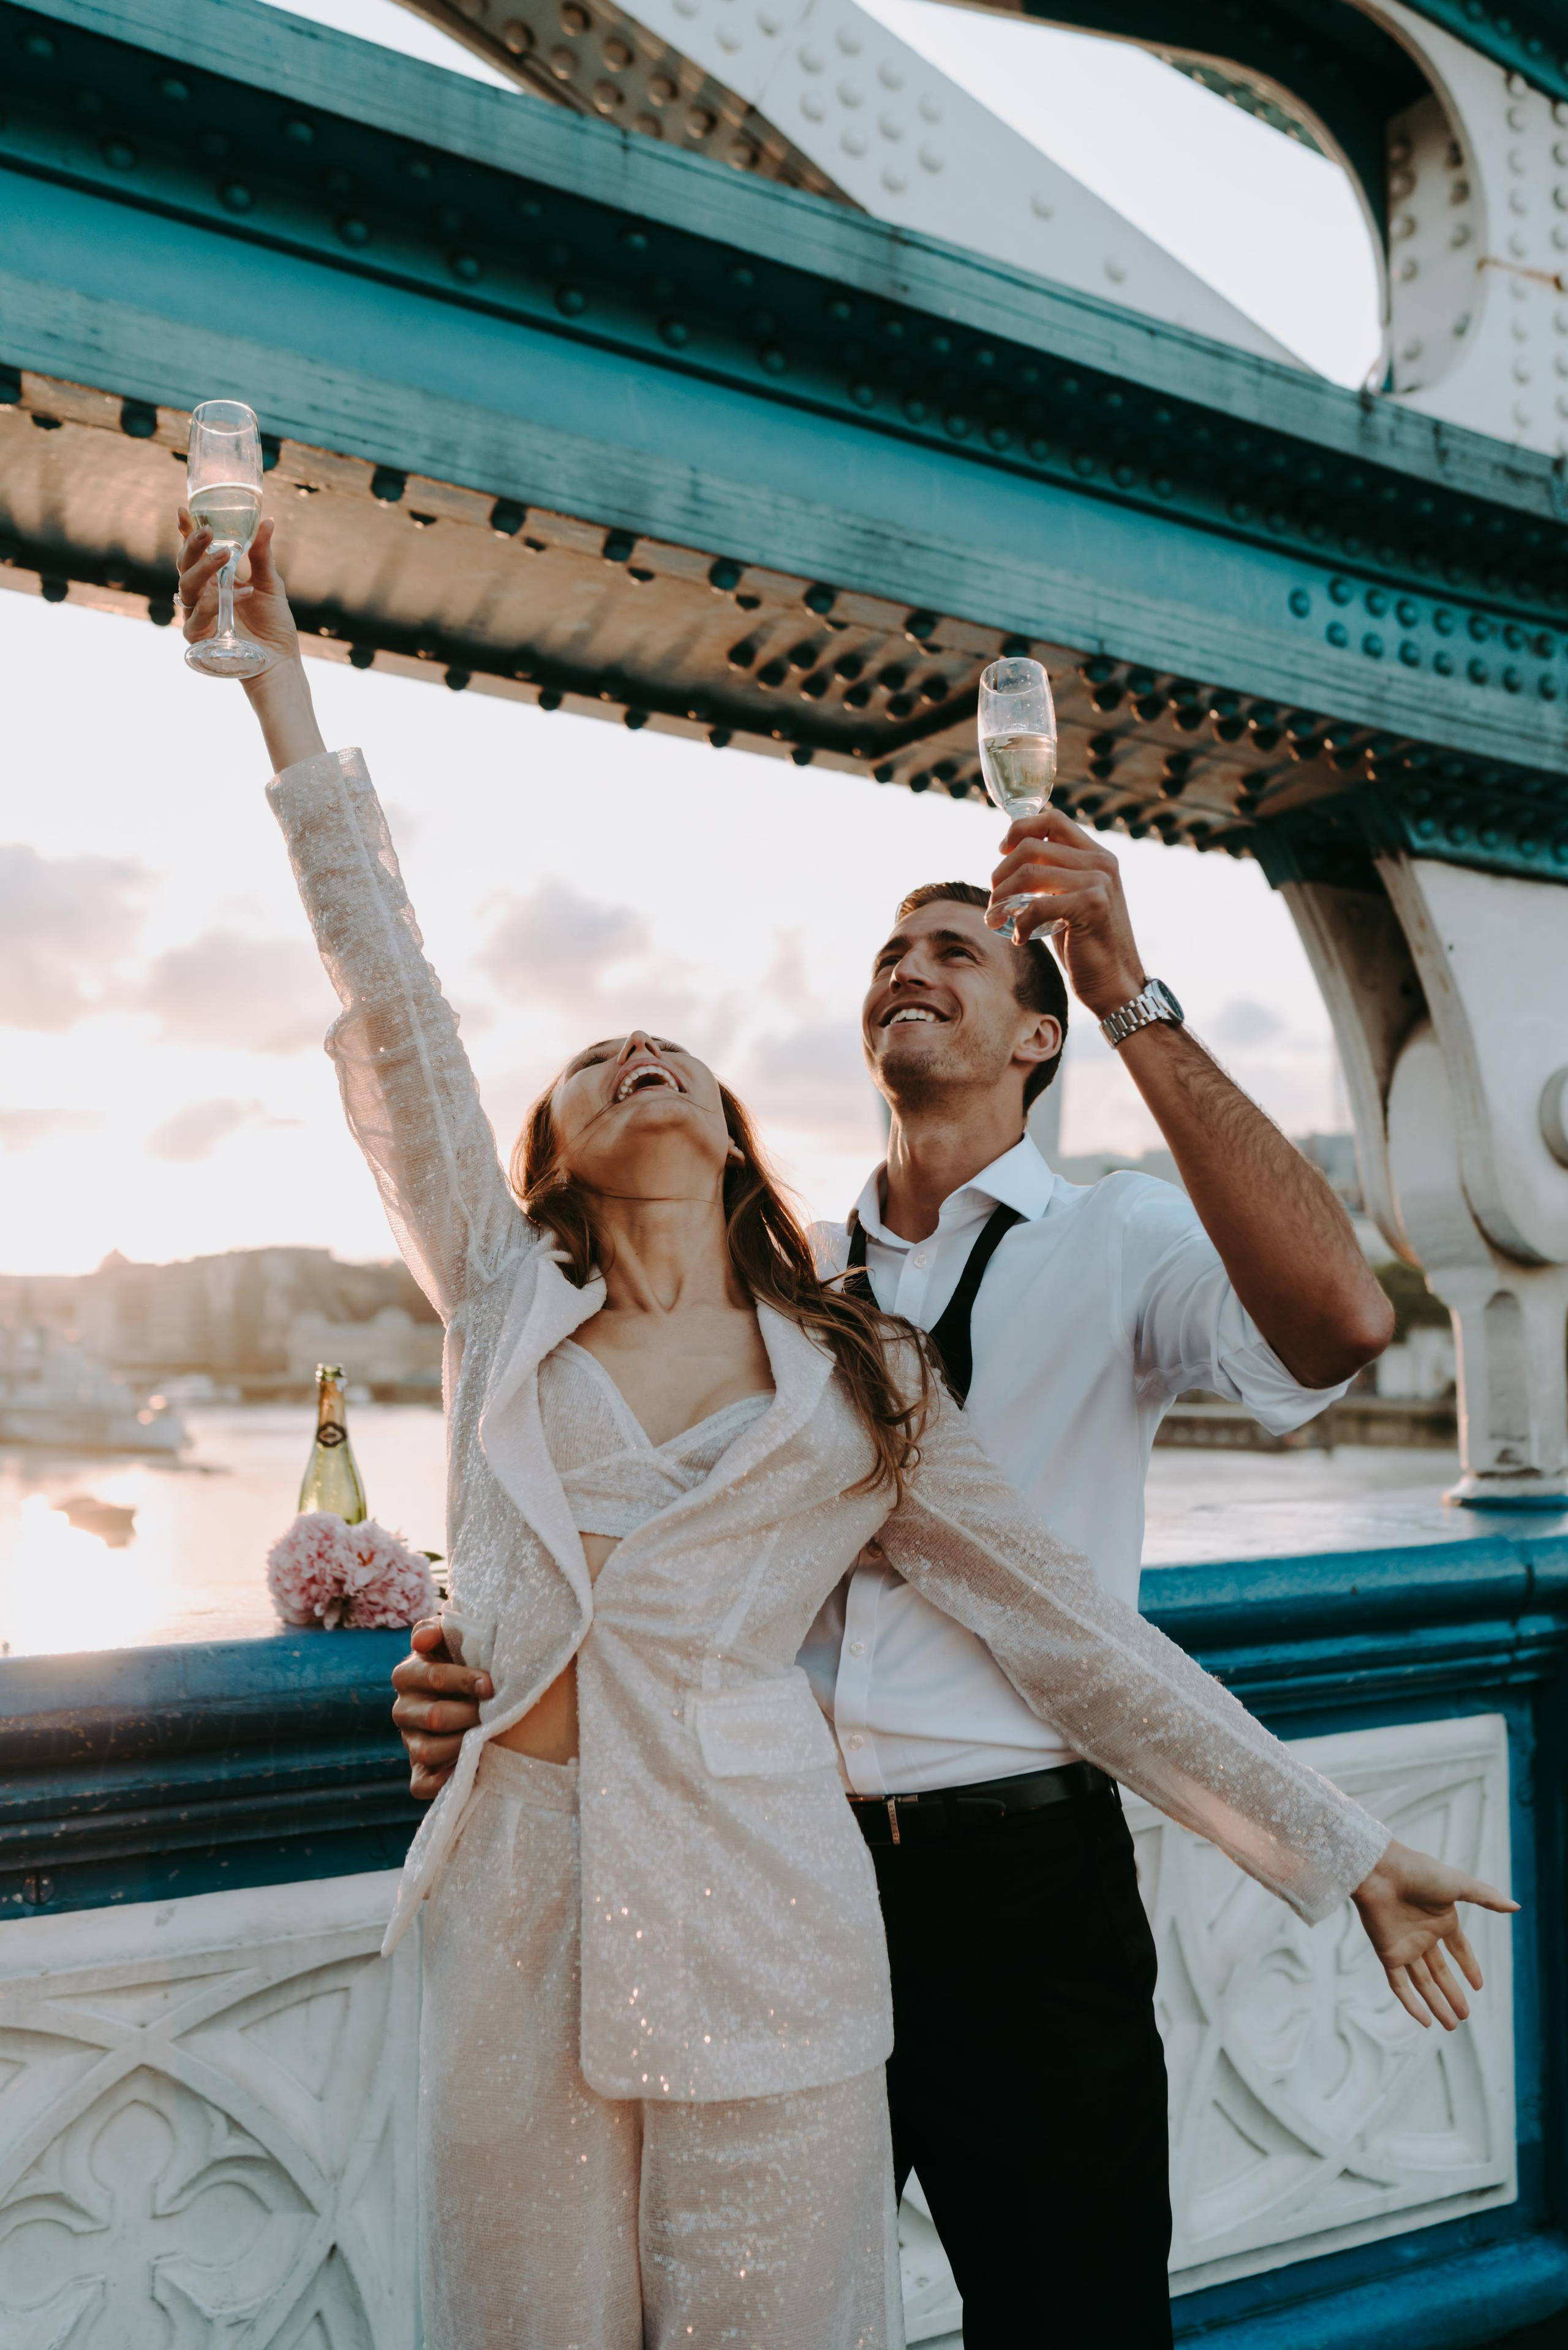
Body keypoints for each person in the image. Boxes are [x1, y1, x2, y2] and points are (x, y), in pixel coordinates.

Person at [180, 513, 1512, 2350]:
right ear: (547, 1162)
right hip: (578, 1911)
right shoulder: (569, 1300)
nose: (635, 1049)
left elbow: (1087, 1625)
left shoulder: (891, 1359)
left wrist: (1343, 1843)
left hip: (875, 1914)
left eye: (963, 951)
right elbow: (392, 996)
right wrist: (278, 686)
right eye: (593, 1060)